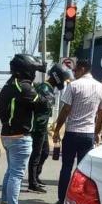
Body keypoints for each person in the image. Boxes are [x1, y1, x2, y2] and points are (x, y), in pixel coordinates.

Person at [0, 54, 50, 204]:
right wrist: (47, 95)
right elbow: (42, 103)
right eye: (33, 69)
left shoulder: (7, 86)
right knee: (17, 174)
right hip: (19, 137)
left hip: (7, 135)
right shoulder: (25, 87)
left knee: (10, 171)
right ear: (27, 70)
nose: (34, 73)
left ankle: (5, 203)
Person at [53, 60, 102, 204]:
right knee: (83, 171)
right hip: (88, 135)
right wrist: (96, 132)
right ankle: (79, 202)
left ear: (82, 69)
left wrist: (57, 129)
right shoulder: (101, 88)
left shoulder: (74, 85)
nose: (74, 73)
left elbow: (65, 110)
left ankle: (62, 199)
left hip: (72, 133)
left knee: (66, 167)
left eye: (76, 70)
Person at [28, 64, 71, 193]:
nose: (63, 81)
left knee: (45, 152)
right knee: (36, 154)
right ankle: (32, 183)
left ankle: (36, 176)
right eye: (63, 78)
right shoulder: (44, 88)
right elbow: (38, 109)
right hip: (38, 127)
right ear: (56, 76)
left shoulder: (50, 89)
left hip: (43, 127)